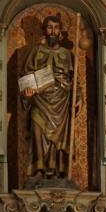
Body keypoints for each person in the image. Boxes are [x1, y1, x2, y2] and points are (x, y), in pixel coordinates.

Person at [19, 13, 75, 182]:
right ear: (44, 30)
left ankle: (57, 171)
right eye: (49, 27)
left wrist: (77, 95)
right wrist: (27, 92)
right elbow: (26, 75)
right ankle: (39, 169)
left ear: (60, 32)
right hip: (40, 99)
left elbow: (74, 79)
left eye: (56, 28)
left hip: (61, 101)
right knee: (38, 134)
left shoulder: (67, 54)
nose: (53, 31)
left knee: (57, 138)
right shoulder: (35, 52)